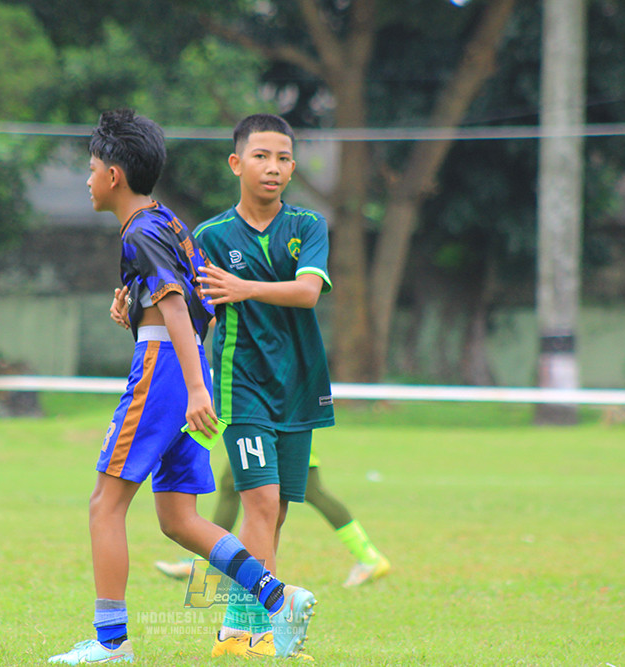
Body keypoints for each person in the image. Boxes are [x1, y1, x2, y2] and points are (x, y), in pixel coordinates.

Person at [46, 109, 316, 665]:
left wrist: (190, 387)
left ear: (115, 175)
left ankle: (109, 642)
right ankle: (276, 597)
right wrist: (140, 316)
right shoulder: (167, 221)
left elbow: (174, 306)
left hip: (168, 375)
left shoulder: (141, 232)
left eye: (93, 168)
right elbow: (202, 307)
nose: (89, 179)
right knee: (178, 519)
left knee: (105, 504)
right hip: (188, 375)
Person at [186, 113, 337, 659]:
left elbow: (307, 294)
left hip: (299, 385)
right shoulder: (208, 237)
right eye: (260, 157)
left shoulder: (308, 226)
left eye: (282, 159)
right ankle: (262, 627)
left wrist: (243, 287)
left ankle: (238, 626)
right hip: (240, 383)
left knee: (279, 509)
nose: (272, 168)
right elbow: (189, 312)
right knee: (262, 503)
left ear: (292, 168)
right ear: (236, 163)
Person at [155, 455, 391, 587]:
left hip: (281, 415)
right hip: (275, 412)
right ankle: (205, 562)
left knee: (312, 490)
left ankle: (369, 557)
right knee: (230, 482)